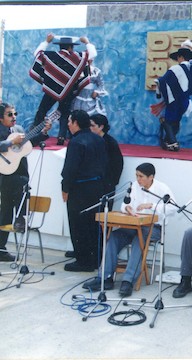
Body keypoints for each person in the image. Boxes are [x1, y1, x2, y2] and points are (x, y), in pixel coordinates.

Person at [83, 163, 176, 297]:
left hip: (153, 228)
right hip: (133, 225)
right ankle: (105, 278)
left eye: (141, 176)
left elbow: (173, 209)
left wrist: (153, 205)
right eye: (137, 176)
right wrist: (126, 208)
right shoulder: (134, 186)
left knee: (139, 240)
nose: (138, 179)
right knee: (114, 237)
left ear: (151, 177)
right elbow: (125, 203)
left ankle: (128, 281)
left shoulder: (162, 188)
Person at [0, 103, 51, 262]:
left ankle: (1, 249)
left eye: (15, 113)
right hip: (5, 174)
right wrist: (10, 142)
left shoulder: (19, 130)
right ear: (1, 117)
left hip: (19, 171)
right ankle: (21, 217)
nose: (14, 117)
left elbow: (28, 144)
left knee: (5, 212)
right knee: (20, 188)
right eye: (10, 114)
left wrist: (43, 133)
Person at [30, 33, 97, 145]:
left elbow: (37, 54)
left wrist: (46, 41)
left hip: (51, 89)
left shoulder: (50, 55)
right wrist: (87, 42)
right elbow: (92, 55)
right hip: (68, 91)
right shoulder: (77, 57)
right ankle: (61, 137)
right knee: (64, 113)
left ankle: (33, 136)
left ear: (59, 46)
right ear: (71, 47)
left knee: (41, 111)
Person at [61, 110, 107, 272]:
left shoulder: (76, 142)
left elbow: (70, 169)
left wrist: (65, 188)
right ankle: (95, 259)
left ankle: (83, 261)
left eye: (69, 121)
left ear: (75, 123)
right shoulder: (98, 139)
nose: (68, 124)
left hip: (80, 188)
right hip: (97, 188)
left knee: (78, 225)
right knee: (93, 225)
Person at [152, 40, 192, 152]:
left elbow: (163, 81)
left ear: (180, 57)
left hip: (174, 101)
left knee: (168, 121)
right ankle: (169, 142)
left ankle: (173, 142)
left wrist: (158, 89)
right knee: (176, 120)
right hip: (186, 101)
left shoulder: (176, 69)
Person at [90, 114, 123, 210]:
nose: (90, 128)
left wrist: (111, 182)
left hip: (106, 184)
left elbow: (118, 163)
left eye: (92, 125)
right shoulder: (92, 140)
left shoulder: (110, 143)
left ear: (101, 127)